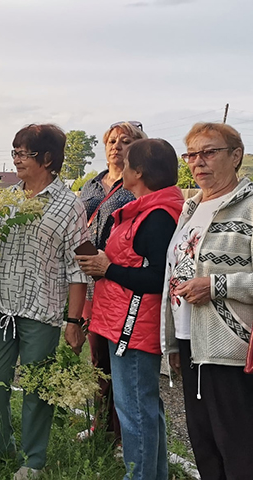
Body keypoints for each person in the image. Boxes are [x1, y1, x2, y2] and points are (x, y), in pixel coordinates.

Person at [0, 124, 89, 480]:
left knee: (38, 386)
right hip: (0, 305)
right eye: (15, 152)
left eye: (24, 153)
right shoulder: (6, 198)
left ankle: (34, 459)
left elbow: (79, 267)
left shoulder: (70, 206)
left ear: (48, 158)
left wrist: (74, 320)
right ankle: (1, 445)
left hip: (43, 310)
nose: (17, 159)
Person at [77, 138, 183, 480]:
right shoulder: (146, 209)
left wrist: (108, 269)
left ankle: (140, 476)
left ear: (137, 172)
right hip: (123, 322)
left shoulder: (156, 217)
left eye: (125, 164)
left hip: (134, 330)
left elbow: (157, 278)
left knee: (135, 411)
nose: (119, 169)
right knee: (143, 409)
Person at [161, 123, 253, 480]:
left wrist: (216, 285)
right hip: (190, 341)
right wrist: (172, 341)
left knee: (239, 446)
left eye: (209, 152)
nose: (198, 162)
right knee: (205, 444)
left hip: (230, 345)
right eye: (192, 155)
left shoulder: (248, 207)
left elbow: (212, 280)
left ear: (236, 156)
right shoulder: (191, 207)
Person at [77, 121, 147, 443]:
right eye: (112, 141)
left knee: (121, 360)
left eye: (125, 141)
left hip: (120, 280)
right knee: (97, 359)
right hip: (90, 279)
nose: (116, 146)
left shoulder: (138, 185)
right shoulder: (91, 186)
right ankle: (100, 427)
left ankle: (122, 434)